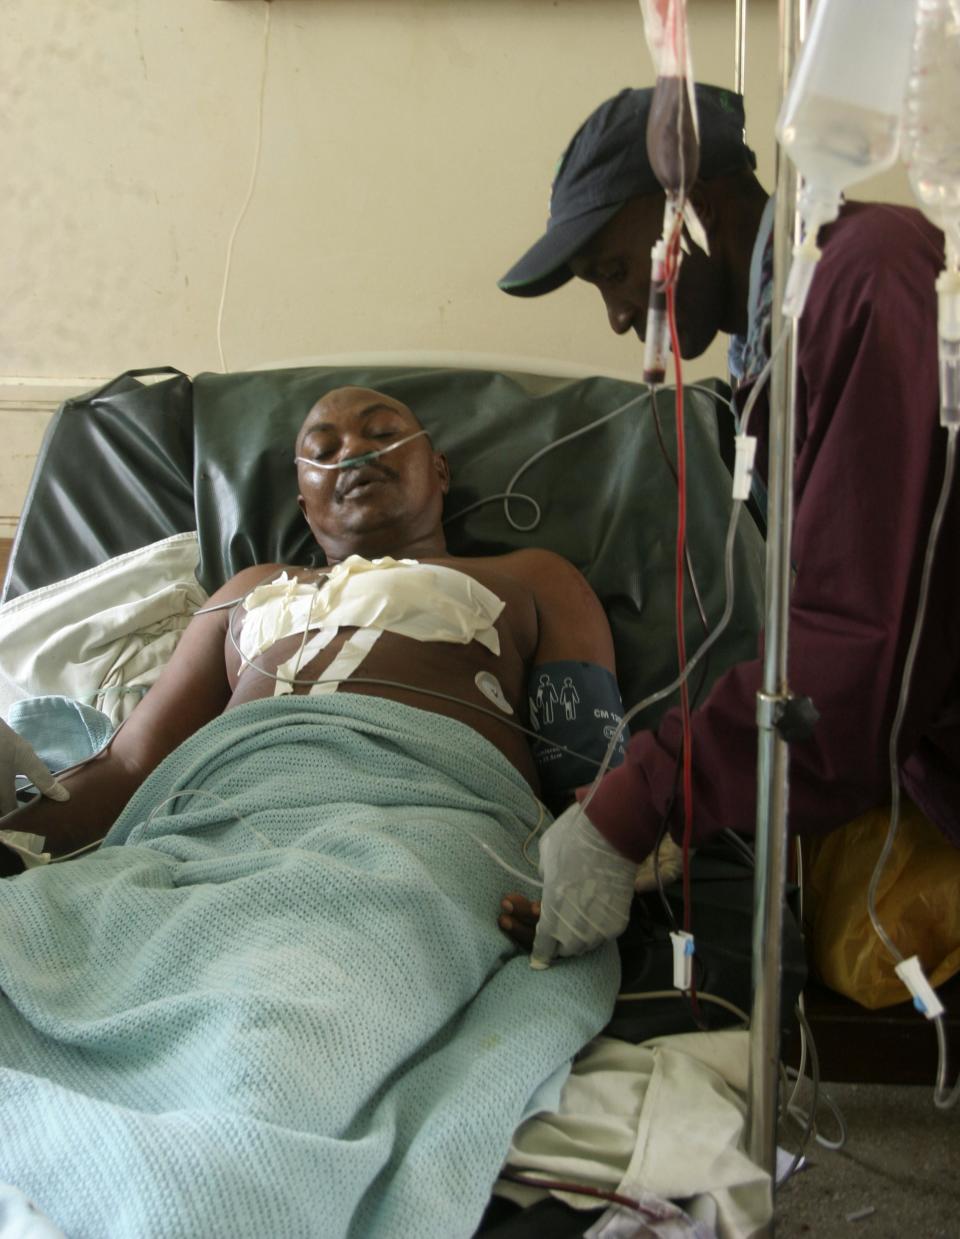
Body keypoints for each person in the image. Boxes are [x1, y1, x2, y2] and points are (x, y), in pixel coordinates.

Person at [0, 386, 625, 1238]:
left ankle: (218, 1183)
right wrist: (14, 832)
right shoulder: (249, 593)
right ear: (303, 496)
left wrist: (592, 870)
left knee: (281, 1013)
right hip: (205, 828)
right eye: (322, 446)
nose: (352, 453)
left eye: (381, 433)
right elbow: (131, 766)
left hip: (416, 823)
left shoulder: (528, 579)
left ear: (437, 470)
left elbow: (595, 772)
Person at [498, 83, 960, 968]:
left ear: (690, 206)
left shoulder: (870, 282)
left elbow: (852, 653)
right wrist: (687, 813)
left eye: (613, 269)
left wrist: (640, 802)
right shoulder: (774, 350)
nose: (620, 315)